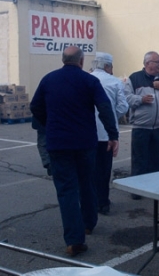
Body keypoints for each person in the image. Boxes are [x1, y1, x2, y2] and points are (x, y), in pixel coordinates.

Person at [30, 46, 119, 256]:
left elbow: (35, 106)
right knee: (86, 182)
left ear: (63, 60)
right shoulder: (89, 81)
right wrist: (112, 135)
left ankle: (74, 240)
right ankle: (89, 222)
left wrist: (49, 123)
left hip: (58, 143)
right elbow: (105, 107)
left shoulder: (48, 80)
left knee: (67, 190)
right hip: (85, 143)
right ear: (81, 62)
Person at [124, 51, 159, 199]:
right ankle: (137, 190)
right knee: (139, 160)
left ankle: (155, 189)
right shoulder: (134, 78)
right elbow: (126, 98)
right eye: (157, 62)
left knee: (157, 160)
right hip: (141, 128)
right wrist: (141, 99)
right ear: (147, 63)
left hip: (158, 128)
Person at [91, 52, 128, 215]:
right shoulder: (114, 82)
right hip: (106, 134)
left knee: (88, 169)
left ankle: (89, 201)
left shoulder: (87, 79)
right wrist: (113, 116)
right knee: (104, 170)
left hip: (87, 133)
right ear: (107, 66)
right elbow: (123, 106)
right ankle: (103, 202)